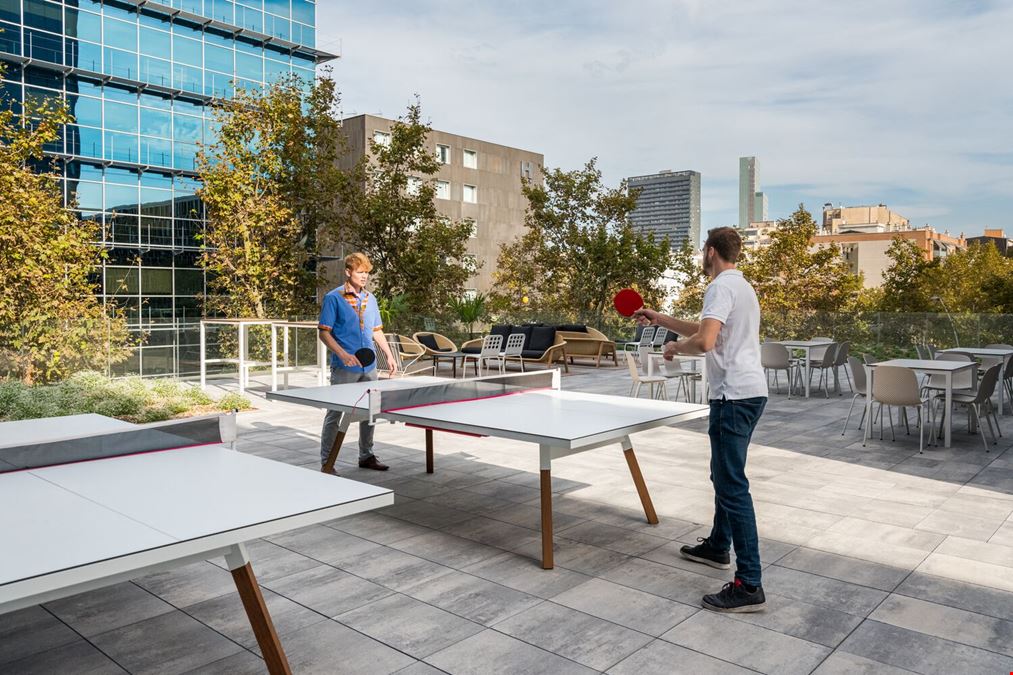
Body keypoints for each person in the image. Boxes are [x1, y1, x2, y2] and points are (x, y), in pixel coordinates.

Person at [634, 227, 768, 613]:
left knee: (732, 485)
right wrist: (660, 319)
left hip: (733, 396)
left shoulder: (720, 287)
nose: (700, 256)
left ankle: (749, 583)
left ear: (710, 252)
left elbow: (705, 342)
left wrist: (675, 348)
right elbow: (706, 330)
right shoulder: (739, 286)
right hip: (749, 392)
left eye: (701, 251)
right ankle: (717, 546)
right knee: (724, 477)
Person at [318, 252, 397, 472]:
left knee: (370, 412)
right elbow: (324, 333)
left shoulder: (371, 299)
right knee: (335, 413)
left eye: (367, 273)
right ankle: (327, 461)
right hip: (344, 367)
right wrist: (342, 354)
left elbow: (377, 330)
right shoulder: (333, 298)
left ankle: (366, 455)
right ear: (348, 272)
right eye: (360, 272)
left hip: (369, 366)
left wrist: (388, 355)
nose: (364, 277)